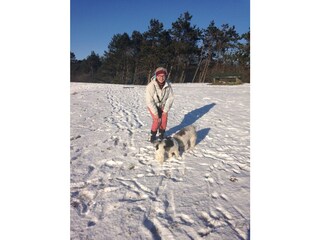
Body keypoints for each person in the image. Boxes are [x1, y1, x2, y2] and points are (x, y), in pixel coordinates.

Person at [146, 67, 174, 143]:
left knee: (164, 119)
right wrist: (155, 113)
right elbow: (149, 101)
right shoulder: (151, 86)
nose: (161, 78)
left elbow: (170, 98)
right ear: (156, 76)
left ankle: (162, 133)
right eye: (159, 76)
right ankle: (153, 135)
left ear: (165, 76)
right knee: (157, 120)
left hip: (163, 105)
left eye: (163, 76)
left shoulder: (168, 85)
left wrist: (165, 110)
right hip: (153, 105)